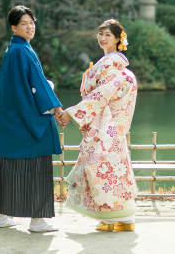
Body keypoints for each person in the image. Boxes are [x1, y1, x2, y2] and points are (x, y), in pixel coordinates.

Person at [56, 19, 139, 232]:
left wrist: (71, 114)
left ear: (118, 39)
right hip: (113, 127)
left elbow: (100, 96)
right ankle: (126, 217)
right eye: (100, 34)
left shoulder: (111, 63)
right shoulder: (117, 64)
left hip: (105, 126)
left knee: (100, 169)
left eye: (108, 35)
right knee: (116, 168)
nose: (102, 38)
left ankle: (111, 219)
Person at [0, 5, 63, 233]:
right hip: (26, 123)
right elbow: (38, 85)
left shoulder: (12, 50)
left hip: (11, 121)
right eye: (24, 23)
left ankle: (2, 216)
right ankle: (38, 221)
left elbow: (2, 86)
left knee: (10, 168)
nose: (29, 26)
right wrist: (57, 107)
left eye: (31, 22)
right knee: (36, 168)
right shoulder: (22, 51)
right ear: (13, 27)